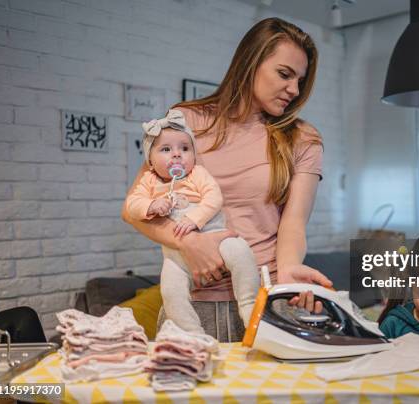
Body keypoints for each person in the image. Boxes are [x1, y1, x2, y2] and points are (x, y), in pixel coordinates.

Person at [122, 17, 332, 342]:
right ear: (251, 62)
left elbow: (293, 224)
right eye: (284, 74)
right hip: (191, 307)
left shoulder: (302, 138)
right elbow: (134, 209)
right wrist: (187, 242)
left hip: (263, 303)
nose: (294, 90)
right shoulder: (186, 121)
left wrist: (289, 274)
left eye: (300, 81)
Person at [125, 109, 259, 334]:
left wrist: (193, 219)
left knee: (241, 252)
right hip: (176, 256)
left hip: (215, 238)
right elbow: (131, 206)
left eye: (184, 149)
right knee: (170, 291)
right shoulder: (149, 181)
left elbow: (214, 197)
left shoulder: (197, 173)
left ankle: (248, 303)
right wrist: (150, 206)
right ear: (150, 160)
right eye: (166, 149)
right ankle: (191, 332)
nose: (177, 155)